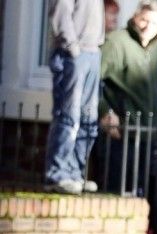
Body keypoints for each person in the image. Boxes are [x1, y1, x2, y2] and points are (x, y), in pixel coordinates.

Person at [98, 0, 157, 193]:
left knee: (137, 196)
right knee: (115, 194)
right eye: (144, 20)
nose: (147, 27)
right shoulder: (116, 42)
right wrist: (104, 112)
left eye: (154, 23)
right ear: (135, 17)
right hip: (120, 133)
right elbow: (91, 81)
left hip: (147, 134)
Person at [44, 0, 105, 195]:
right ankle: (58, 174)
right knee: (68, 116)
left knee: (89, 118)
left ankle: (74, 173)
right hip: (72, 54)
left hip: (92, 52)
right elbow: (61, 14)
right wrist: (73, 47)